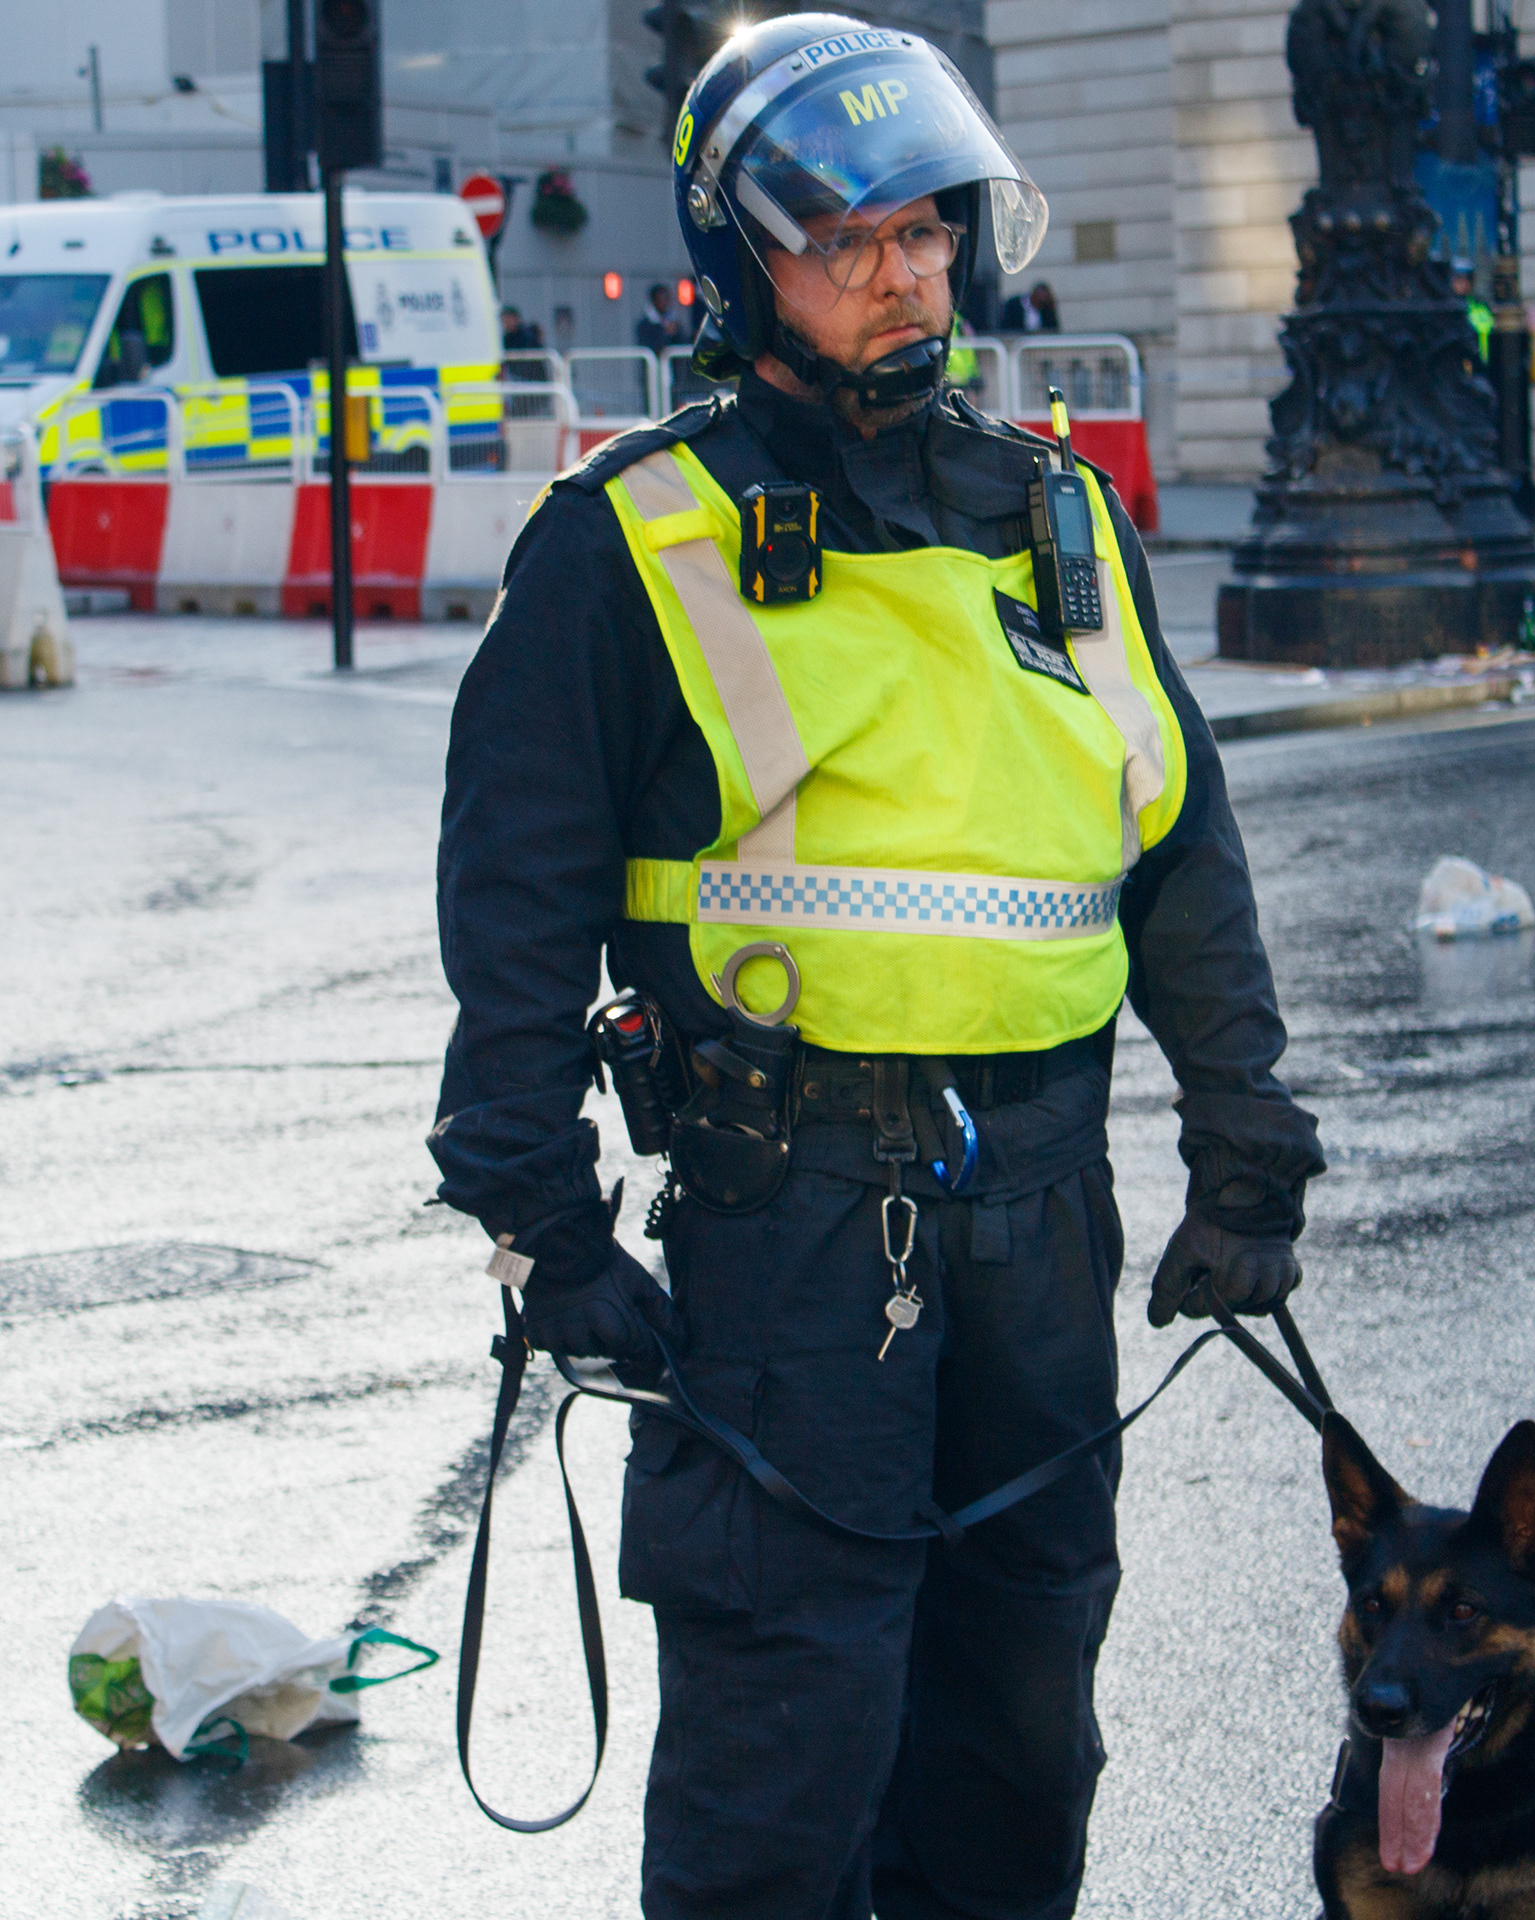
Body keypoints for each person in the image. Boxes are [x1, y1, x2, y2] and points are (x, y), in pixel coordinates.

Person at [428, 14, 1324, 1919]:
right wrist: (542, 1228)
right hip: (793, 1233)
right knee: (787, 1756)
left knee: (1021, 1738)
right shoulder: (626, 545)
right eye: (844, 243)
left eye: (922, 233)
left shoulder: (1060, 520)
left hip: (1043, 1224)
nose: (900, 274)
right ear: (742, 264)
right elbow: (510, 924)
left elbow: (1176, 855)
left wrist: (1251, 1143)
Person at [1451, 256, 1492, 362]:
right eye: (1459, 279)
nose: (1464, 284)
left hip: (1482, 363)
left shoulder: (1481, 307)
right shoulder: (1446, 308)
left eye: (1467, 279)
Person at [636, 281, 688, 352]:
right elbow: (648, 346)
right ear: (654, 301)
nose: (665, 303)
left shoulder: (674, 323)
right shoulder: (644, 325)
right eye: (661, 299)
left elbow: (683, 343)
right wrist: (666, 333)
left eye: (666, 299)